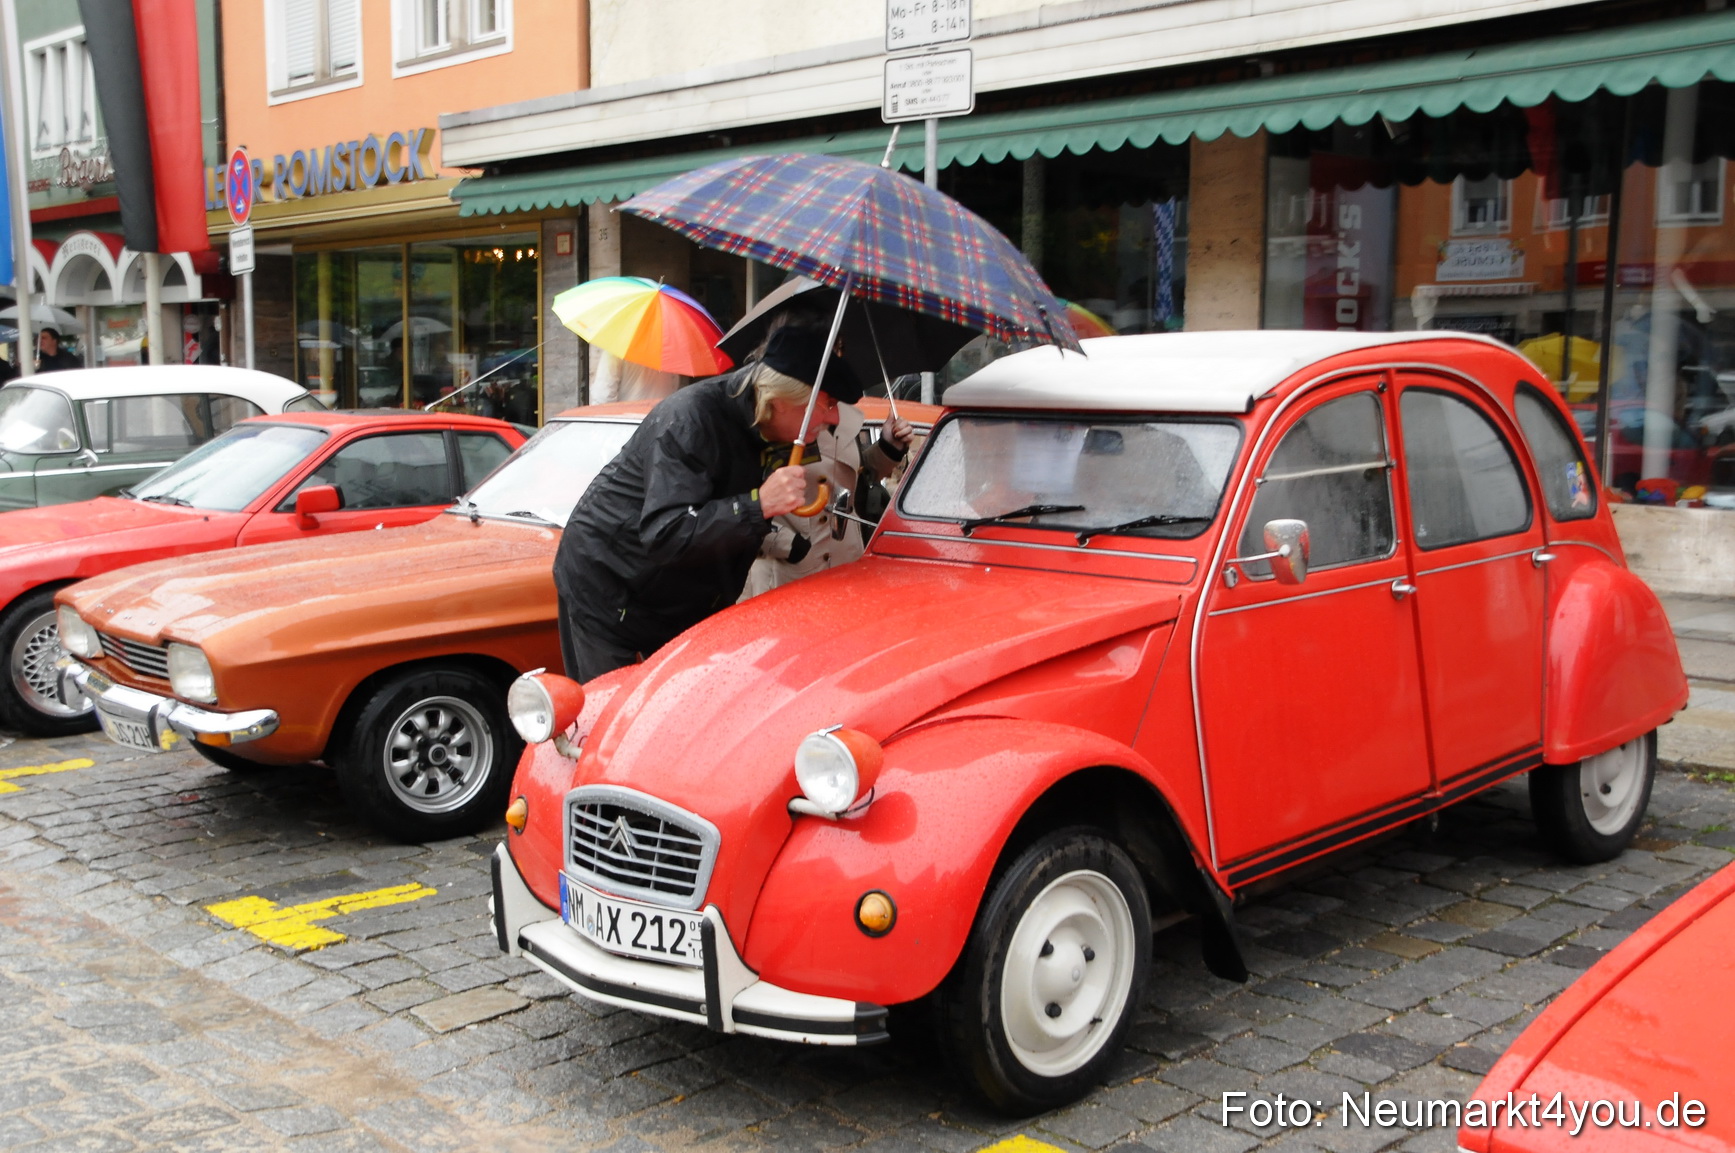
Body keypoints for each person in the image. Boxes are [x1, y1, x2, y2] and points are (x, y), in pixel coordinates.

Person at [553, 325, 862, 681]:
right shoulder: (691, 419)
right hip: (607, 581)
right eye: (828, 404)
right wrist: (758, 505)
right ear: (780, 398)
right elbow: (666, 532)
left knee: (679, 707)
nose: (834, 418)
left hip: (679, 596)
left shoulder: (775, 426)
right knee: (607, 713)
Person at [741, 374, 913, 599]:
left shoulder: (840, 413)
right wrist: (785, 544)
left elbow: (852, 479)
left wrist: (888, 448)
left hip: (844, 563)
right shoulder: (775, 413)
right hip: (788, 571)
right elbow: (738, 502)